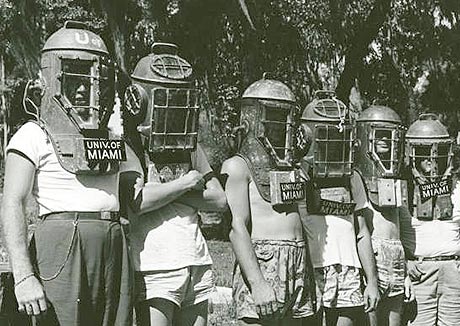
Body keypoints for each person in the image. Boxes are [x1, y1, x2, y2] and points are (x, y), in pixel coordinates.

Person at [0, 21, 141, 325]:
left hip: (113, 246)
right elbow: (12, 201)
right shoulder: (32, 134)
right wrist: (24, 276)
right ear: (53, 78)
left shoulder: (113, 136)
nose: (83, 87)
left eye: (91, 78)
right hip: (61, 246)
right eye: (73, 78)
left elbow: (136, 191)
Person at [122, 43, 227, 326]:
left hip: (196, 259)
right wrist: (187, 183)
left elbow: (219, 200)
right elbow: (137, 202)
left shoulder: (190, 145)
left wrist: (169, 192)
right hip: (155, 265)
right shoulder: (130, 144)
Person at [221, 75, 317, 326]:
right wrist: (258, 283)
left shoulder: (293, 167)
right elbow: (236, 227)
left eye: (283, 117)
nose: (278, 125)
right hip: (264, 263)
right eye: (271, 117)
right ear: (251, 118)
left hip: (298, 265)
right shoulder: (237, 166)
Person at [299, 91, 380, 326]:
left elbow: (362, 233)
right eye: (328, 133)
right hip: (312, 267)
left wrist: (372, 282)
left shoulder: (351, 176)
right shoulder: (297, 175)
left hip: (348, 268)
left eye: (339, 133)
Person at [399, 113, 460, 326]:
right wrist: (405, 262)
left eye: (435, 152)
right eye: (423, 152)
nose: (429, 159)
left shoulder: (457, 188)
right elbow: (390, 234)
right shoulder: (400, 189)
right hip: (419, 271)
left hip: (453, 269)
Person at [354, 105, 408, 326]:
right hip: (372, 252)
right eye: (380, 135)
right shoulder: (356, 174)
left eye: (390, 135)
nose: (385, 140)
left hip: (396, 252)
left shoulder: (396, 174)